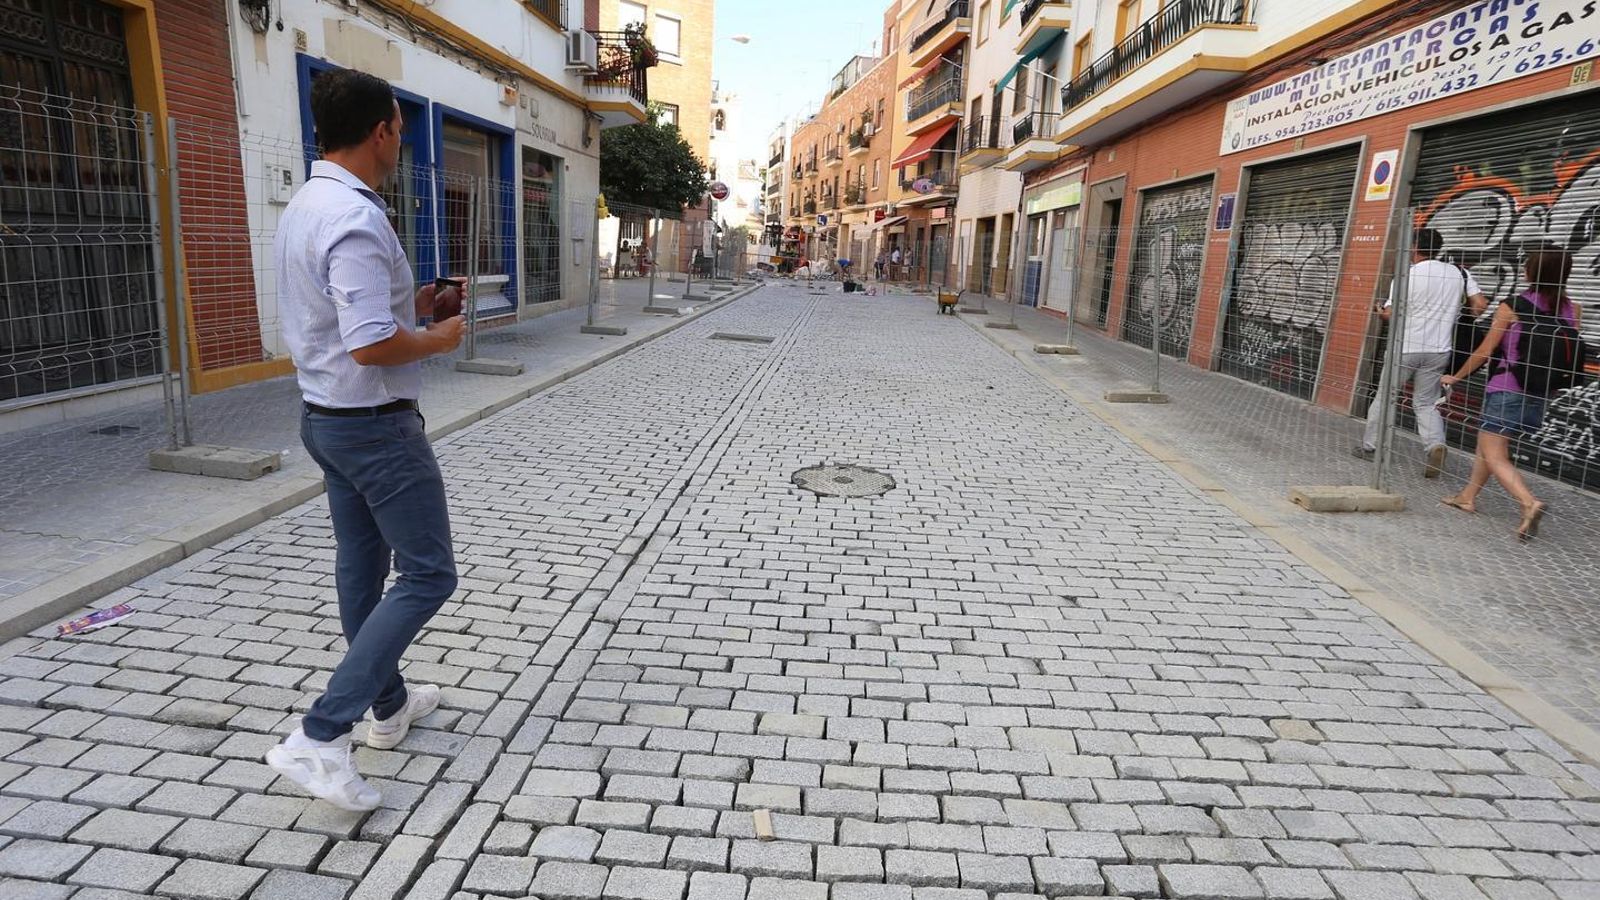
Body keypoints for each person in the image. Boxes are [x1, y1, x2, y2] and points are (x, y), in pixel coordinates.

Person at [266, 69, 464, 811]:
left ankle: (387, 708)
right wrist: (437, 337)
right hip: (375, 427)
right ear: (380, 130)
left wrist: (403, 307)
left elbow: (347, 316)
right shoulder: (352, 217)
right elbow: (371, 347)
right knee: (428, 575)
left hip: (326, 420)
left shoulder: (307, 204)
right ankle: (320, 734)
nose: (402, 139)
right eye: (399, 127)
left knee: (361, 571)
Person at [1441, 243, 1582, 540]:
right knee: (1489, 444)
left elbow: (1485, 350)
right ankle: (1467, 496)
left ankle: (1528, 503)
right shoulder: (1572, 310)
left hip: (1506, 387)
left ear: (1531, 272)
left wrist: (1456, 376)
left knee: (1495, 452)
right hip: (1541, 392)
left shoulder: (1512, 306)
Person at [1354, 227, 1488, 477]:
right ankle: (1435, 445)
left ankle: (1371, 447)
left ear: (1414, 247)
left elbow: (1391, 314)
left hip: (1405, 348)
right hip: (1440, 349)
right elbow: (1480, 305)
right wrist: (1451, 315)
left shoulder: (1406, 276)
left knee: (1385, 397)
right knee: (1426, 402)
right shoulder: (1458, 272)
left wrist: (1380, 312)